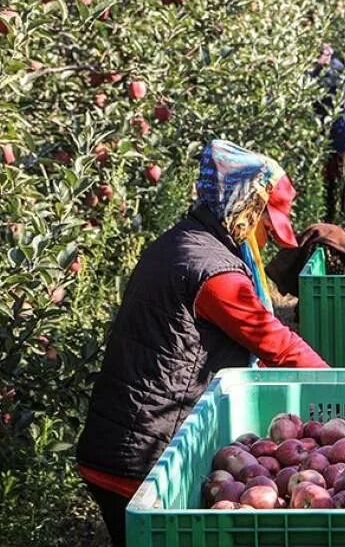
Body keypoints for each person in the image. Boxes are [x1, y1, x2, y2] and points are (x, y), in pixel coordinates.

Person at [76, 140, 330, 546]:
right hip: (142, 457)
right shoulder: (214, 273)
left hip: (121, 442)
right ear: (245, 210)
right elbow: (277, 344)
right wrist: (340, 385)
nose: (266, 241)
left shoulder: (183, 241)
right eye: (266, 227)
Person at [310, 43, 345, 222]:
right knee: (321, 174)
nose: (323, 57)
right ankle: (323, 211)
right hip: (317, 130)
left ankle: (338, 210)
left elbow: (343, 100)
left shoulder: (337, 70)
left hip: (335, 129)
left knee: (337, 171)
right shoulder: (309, 72)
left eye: (326, 54)